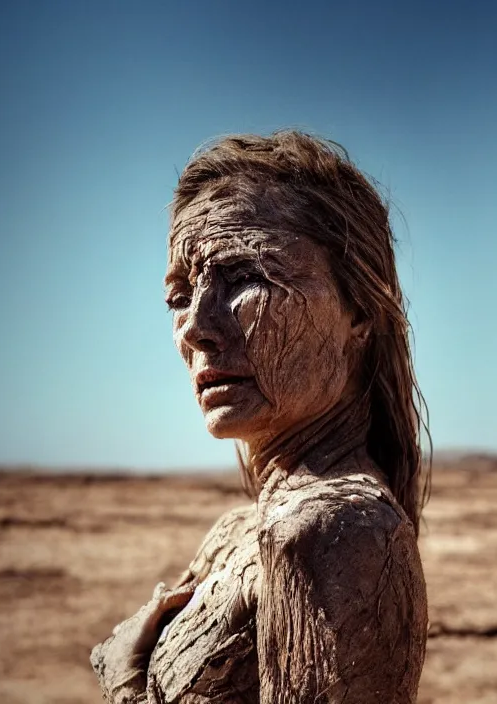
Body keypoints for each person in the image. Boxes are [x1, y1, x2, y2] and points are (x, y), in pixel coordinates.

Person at [90, 131, 429, 703]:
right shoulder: (239, 528)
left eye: (248, 277)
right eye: (179, 295)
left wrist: (126, 683)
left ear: (360, 313)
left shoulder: (331, 531)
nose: (196, 327)